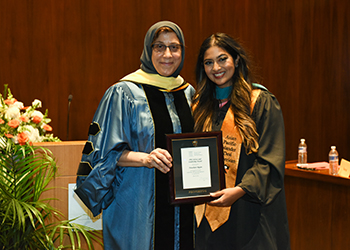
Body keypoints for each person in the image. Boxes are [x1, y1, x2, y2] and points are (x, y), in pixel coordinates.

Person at [74, 21, 195, 250]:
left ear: (183, 51)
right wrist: (146, 159)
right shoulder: (124, 92)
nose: (167, 54)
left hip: (183, 206)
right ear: (148, 50)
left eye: (174, 47)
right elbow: (103, 153)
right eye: (159, 47)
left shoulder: (189, 93)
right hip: (137, 205)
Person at [192, 33, 290, 250]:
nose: (216, 67)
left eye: (222, 59)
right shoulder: (199, 107)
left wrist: (239, 191)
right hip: (207, 215)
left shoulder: (260, 102)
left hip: (248, 211)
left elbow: (269, 162)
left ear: (236, 60)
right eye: (209, 62)